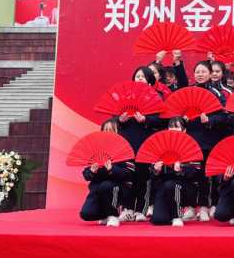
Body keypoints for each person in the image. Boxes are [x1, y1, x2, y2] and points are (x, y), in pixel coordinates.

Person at [179, 60, 227, 223]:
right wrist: (182, 120)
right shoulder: (187, 92)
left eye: (203, 72)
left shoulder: (217, 93)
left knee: (206, 176)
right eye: (197, 72)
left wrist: (209, 120)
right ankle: (190, 207)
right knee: (189, 175)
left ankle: (205, 206)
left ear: (210, 73)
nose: (200, 75)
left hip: (208, 140)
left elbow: (224, 117)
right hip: (188, 141)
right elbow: (175, 115)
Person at [118, 66, 164, 222]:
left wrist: (146, 120)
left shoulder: (157, 96)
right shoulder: (125, 96)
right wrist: (120, 121)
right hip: (128, 141)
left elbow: (163, 119)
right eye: (137, 76)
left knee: (144, 176)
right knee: (128, 175)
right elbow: (114, 117)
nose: (139, 78)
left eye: (143, 76)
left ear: (150, 80)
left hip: (147, 142)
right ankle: (127, 209)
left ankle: (142, 210)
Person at [79, 119, 135, 227]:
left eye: (112, 130)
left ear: (119, 131)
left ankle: (113, 215)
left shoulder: (124, 148)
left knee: (107, 185)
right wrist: (92, 171)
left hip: (120, 187)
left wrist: (112, 169)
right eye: (105, 130)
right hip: (98, 188)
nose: (108, 132)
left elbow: (129, 173)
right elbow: (86, 175)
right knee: (86, 214)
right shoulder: (94, 148)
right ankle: (105, 214)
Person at [149, 117, 201, 227]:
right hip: (164, 187)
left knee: (171, 185)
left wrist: (181, 171)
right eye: (171, 126)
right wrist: (157, 171)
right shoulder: (160, 146)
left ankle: (177, 216)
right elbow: (153, 177)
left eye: (177, 127)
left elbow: (196, 172)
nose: (173, 129)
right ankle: (170, 211)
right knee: (159, 220)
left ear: (184, 129)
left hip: (186, 187)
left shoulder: (190, 145)